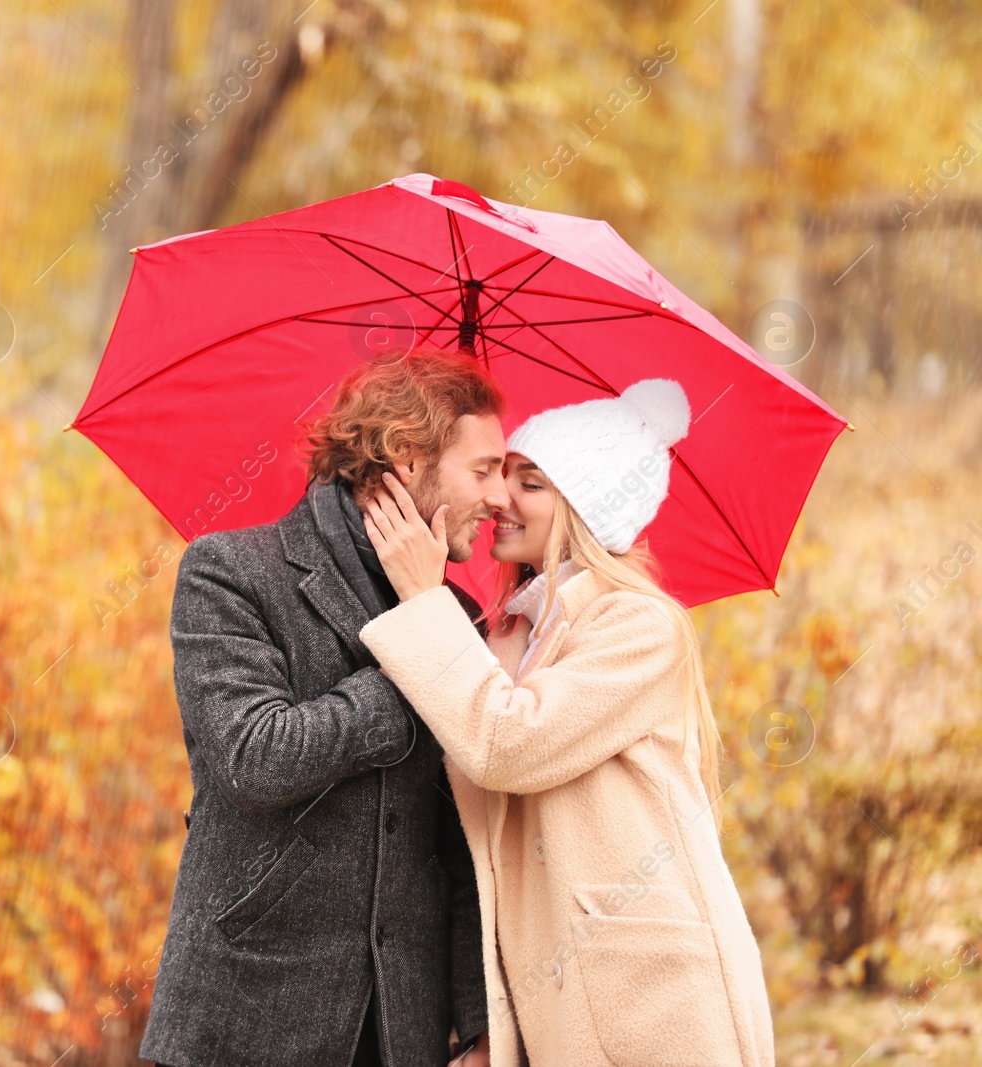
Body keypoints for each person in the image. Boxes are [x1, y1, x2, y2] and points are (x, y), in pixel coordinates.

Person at [357, 378, 776, 1067]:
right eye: (499, 475)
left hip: (656, 1004)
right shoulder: (510, 635)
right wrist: (493, 1026)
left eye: (532, 483)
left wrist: (424, 597)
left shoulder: (639, 625)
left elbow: (507, 744)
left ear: (586, 507)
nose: (500, 500)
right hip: (558, 1011)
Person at [139, 350, 507, 1067]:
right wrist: (414, 645)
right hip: (245, 1016)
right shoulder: (231, 572)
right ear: (406, 457)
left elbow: (459, 835)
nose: (498, 498)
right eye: (484, 468)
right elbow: (258, 758)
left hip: (403, 1028)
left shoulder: (460, 617)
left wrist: (477, 1021)